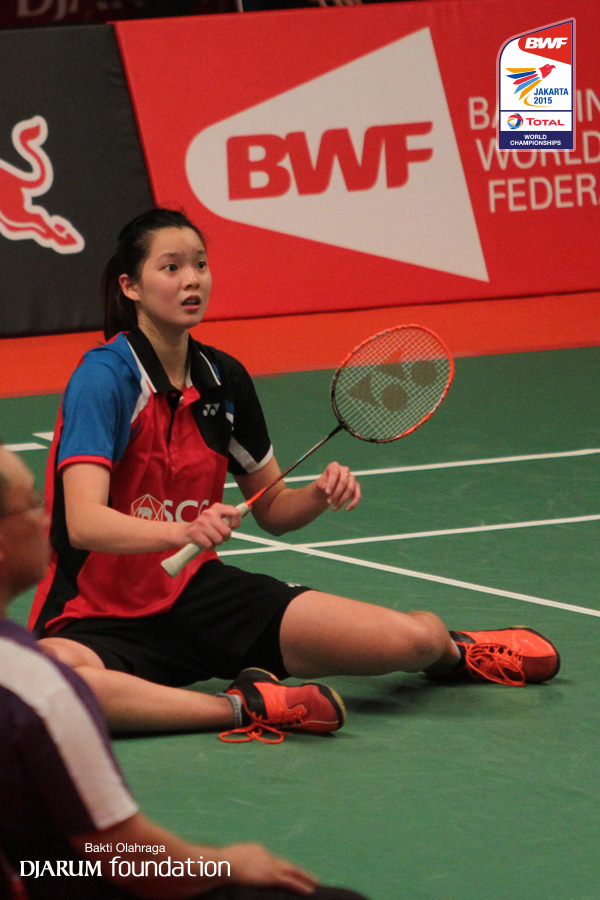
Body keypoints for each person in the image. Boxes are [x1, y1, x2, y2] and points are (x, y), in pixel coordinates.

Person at [28, 208, 560, 742]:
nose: (192, 280)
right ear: (131, 286)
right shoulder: (104, 380)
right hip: (93, 617)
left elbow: (274, 510)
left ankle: (457, 653)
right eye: (171, 268)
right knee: (52, 685)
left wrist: (318, 495)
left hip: (201, 599)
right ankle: (244, 706)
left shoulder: (222, 379)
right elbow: (84, 523)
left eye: (200, 265)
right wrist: (182, 530)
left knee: (411, 641)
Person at [0, 443, 370, 900]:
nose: (46, 519)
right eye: (32, 504)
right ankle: (241, 707)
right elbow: (117, 853)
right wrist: (226, 863)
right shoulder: (32, 686)